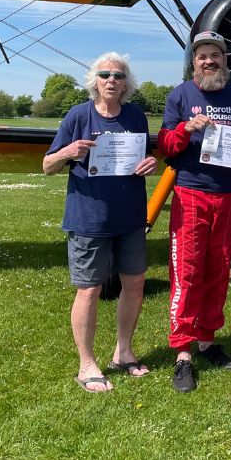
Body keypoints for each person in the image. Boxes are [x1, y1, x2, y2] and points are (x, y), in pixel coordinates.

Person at [43, 52, 158, 393]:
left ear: (126, 84)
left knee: (135, 285)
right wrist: (67, 152)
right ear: (95, 80)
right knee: (89, 290)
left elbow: (141, 157)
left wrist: (150, 163)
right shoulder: (78, 115)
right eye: (105, 74)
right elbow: (46, 165)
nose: (112, 80)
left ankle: (123, 352)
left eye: (118, 76)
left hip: (131, 218)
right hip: (88, 219)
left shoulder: (136, 116)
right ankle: (86, 364)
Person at [158, 30, 231, 393]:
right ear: (193, 61)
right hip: (191, 192)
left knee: (219, 269)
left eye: (215, 54)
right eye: (202, 55)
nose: (209, 61)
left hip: (229, 196)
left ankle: (207, 340)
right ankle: (183, 352)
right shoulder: (180, 95)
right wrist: (186, 127)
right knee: (186, 271)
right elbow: (165, 144)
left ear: (225, 60)